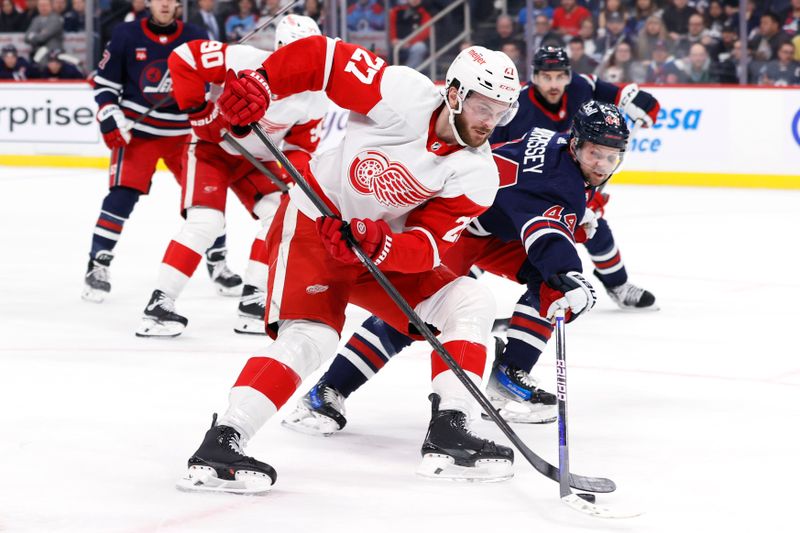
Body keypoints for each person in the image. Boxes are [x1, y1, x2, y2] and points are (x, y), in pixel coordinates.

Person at [177, 41, 521, 492]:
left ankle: (450, 430)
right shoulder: (401, 94)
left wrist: (381, 247)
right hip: (312, 222)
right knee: (312, 336)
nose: (489, 121)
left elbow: (429, 246)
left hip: (375, 247)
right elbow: (324, 59)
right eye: (482, 106)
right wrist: (265, 81)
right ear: (454, 93)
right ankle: (223, 441)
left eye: (500, 111)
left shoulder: (479, 174)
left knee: (469, 300)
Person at [283, 102, 629, 436]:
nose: (601, 164)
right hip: (455, 227)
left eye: (610, 157)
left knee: (545, 283)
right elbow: (545, 234)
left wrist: (562, 253)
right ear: (576, 144)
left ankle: (510, 375)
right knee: (412, 312)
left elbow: (530, 198)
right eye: (594, 153)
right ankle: (328, 391)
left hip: (491, 227)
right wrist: (567, 273)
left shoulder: (553, 142)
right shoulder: (563, 185)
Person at [136, 14, 327, 337]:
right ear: (280, 49)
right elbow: (184, 57)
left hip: (256, 162)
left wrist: (292, 177)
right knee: (206, 223)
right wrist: (199, 112)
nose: (304, 63)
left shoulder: (316, 97)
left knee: (278, 215)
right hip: (212, 150)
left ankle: (253, 300)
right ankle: (159, 304)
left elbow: (300, 145)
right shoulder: (244, 60)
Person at [82, 0, 240, 302]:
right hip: (138, 132)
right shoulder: (126, 34)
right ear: (148, 2)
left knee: (206, 200)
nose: (165, 4)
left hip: (185, 134)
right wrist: (108, 113)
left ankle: (218, 264)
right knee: (121, 195)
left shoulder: (195, 35)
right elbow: (104, 84)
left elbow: (214, 81)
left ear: (178, 4)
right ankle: (97, 264)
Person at [492, 46, 659, 311]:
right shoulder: (514, 106)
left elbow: (619, 95)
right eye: (546, 77)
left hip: (574, 183)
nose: (554, 84)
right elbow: (491, 157)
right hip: (526, 193)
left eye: (559, 76)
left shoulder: (582, 87)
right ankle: (453, 290)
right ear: (534, 76)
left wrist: (640, 101)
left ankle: (617, 285)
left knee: (596, 229)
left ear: (569, 76)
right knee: (489, 234)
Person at [388, 0, 430, 69]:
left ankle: (409, 72)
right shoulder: (397, 11)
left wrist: (409, 42)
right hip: (398, 43)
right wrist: (394, 40)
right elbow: (392, 29)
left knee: (420, 47)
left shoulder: (424, 13)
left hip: (413, 44)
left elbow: (425, 32)